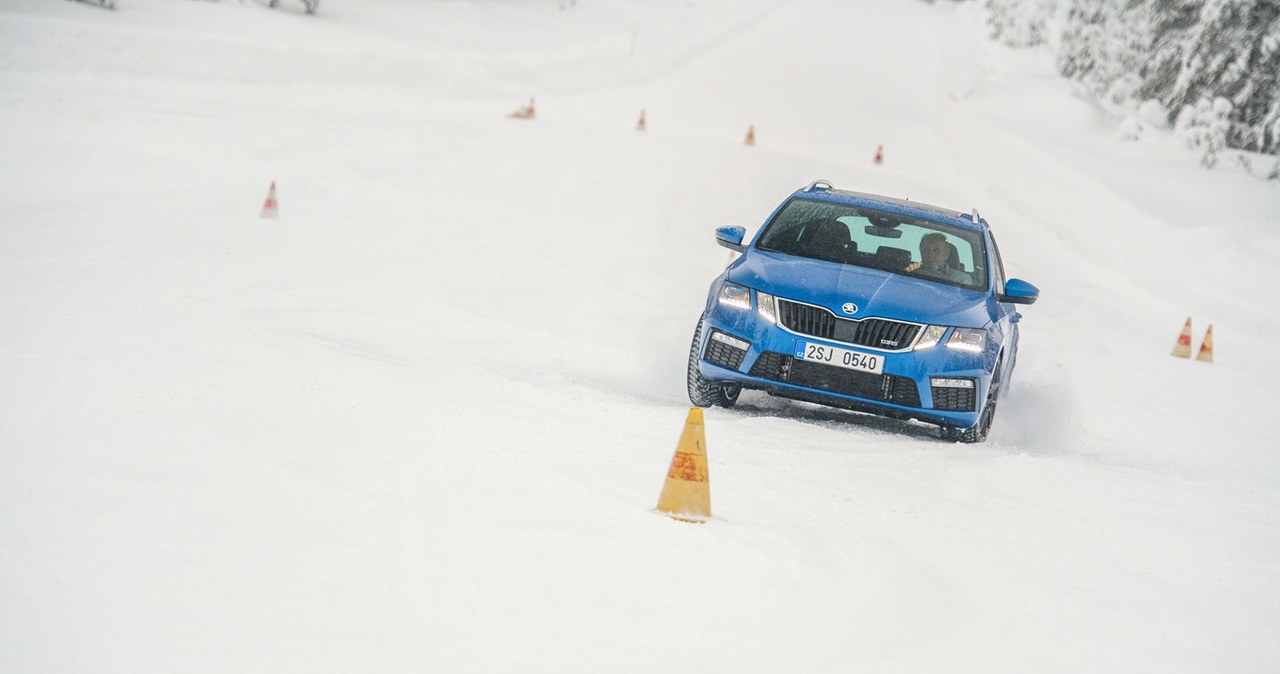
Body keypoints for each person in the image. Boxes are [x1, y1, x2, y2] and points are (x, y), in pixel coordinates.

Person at [904, 232, 970, 283]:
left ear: (946, 255)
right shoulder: (911, 272)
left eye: (936, 250)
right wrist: (906, 274)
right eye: (926, 250)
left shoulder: (960, 278)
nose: (931, 254)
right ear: (921, 252)